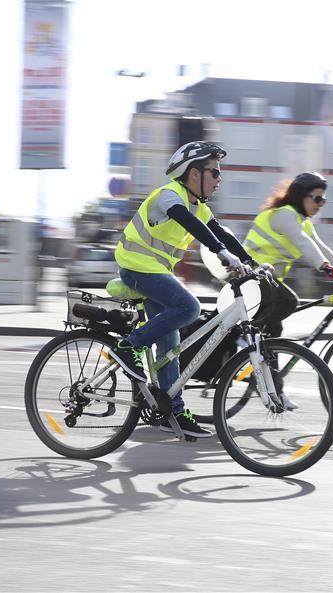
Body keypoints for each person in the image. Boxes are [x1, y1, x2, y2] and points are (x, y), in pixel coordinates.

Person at [111, 141, 257, 438]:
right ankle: (129, 347)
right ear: (194, 174)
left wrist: (252, 262)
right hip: (136, 267)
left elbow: (220, 233)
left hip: (156, 273)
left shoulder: (198, 207)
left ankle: (171, 410)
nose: (219, 179)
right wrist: (219, 252)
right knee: (188, 308)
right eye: (214, 173)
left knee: (170, 345)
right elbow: (190, 223)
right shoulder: (169, 196)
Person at [243, 171, 333, 340]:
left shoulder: (303, 223)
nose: (321, 204)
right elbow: (303, 242)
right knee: (288, 301)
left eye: (323, 199)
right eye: (317, 198)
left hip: (267, 280)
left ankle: (265, 362)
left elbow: (322, 248)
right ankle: (244, 335)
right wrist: (325, 266)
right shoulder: (284, 214)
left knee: (273, 333)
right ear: (301, 196)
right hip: (249, 274)